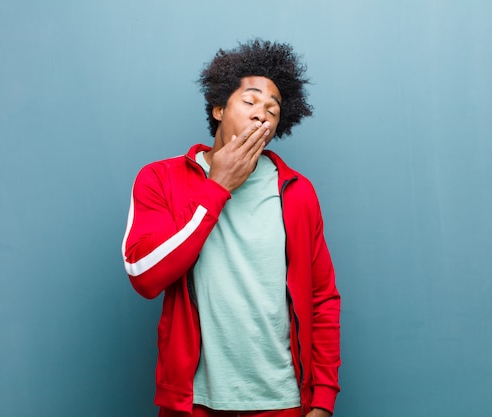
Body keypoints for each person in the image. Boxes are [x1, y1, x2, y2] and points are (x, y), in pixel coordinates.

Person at [122, 39, 340, 417]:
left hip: (282, 400)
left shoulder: (297, 191)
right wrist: (217, 188)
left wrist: (322, 400)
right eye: (251, 102)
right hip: (195, 402)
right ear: (219, 109)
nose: (262, 116)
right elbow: (145, 276)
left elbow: (321, 298)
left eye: (273, 110)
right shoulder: (161, 178)